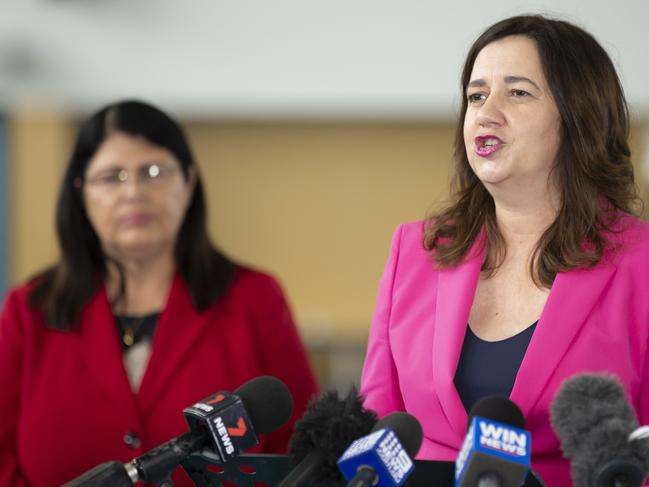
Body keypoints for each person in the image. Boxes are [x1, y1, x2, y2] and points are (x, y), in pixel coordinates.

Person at [360, 15, 649, 487]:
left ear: (579, 115)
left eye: (517, 93)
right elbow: (379, 423)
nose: (485, 112)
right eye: (476, 96)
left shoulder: (641, 264)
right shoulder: (414, 251)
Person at [0, 100, 319, 487]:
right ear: (81, 191)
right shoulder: (29, 309)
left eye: (153, 172)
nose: (133, 191)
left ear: (189, 181)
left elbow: (304, 454)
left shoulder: (254, 298)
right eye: (111, 176)